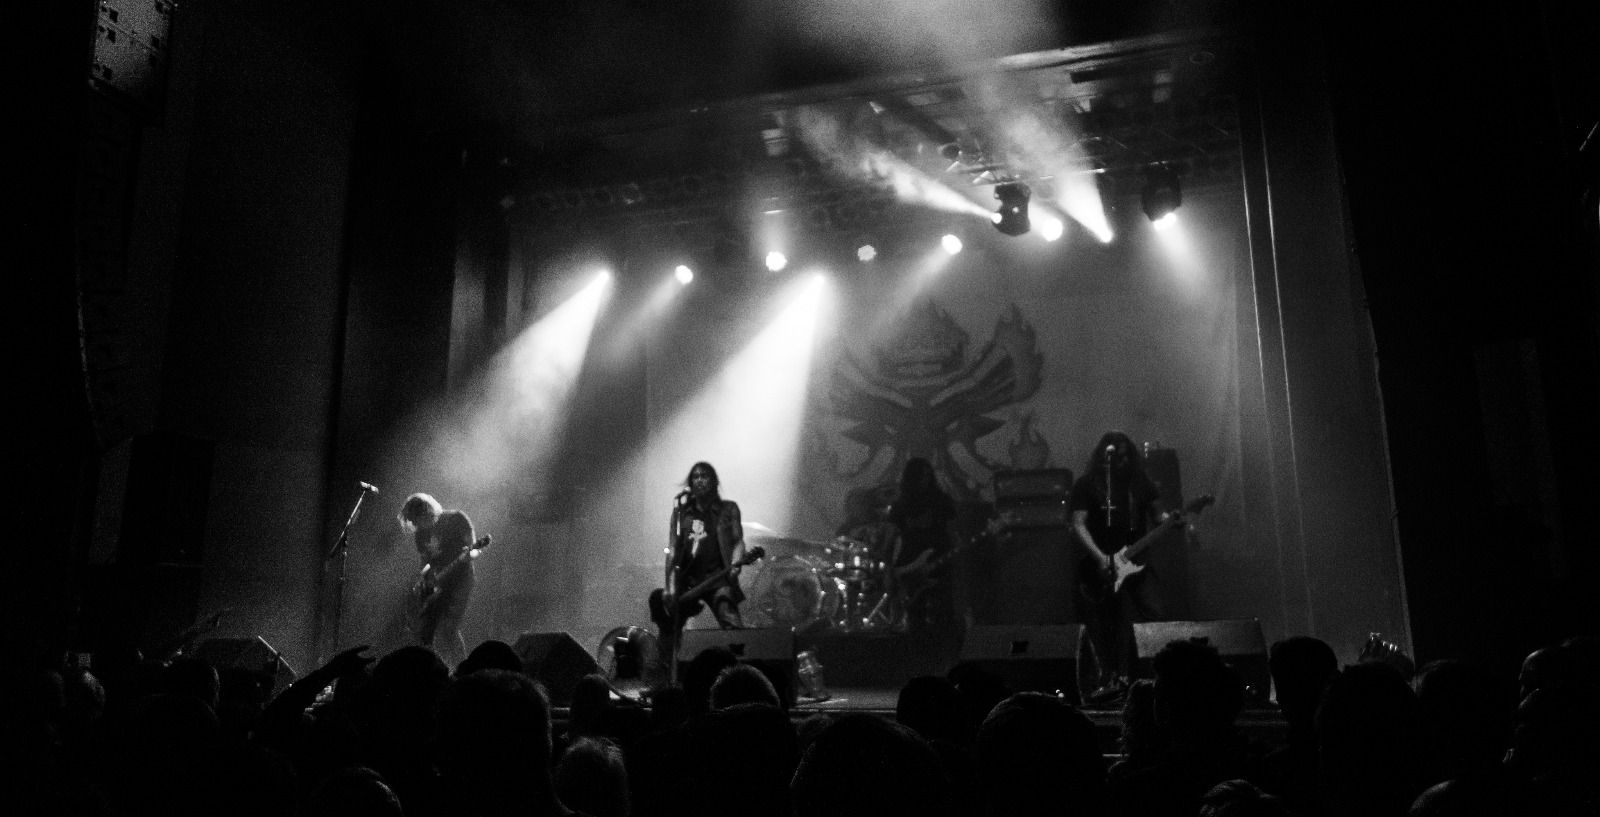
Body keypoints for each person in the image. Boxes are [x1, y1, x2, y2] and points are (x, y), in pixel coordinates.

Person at [1070, 431, 1168, 702]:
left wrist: (1170, 518)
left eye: (1125, 456)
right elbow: (1078, 524)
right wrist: (1101, 558)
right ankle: (1114, 678)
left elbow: (1158, 514)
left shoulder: (1140, 482)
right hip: (1103, 566)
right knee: (1109, 623)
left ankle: (1149, 675)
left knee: (1155, 614)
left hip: (1138, 561)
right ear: (1104, 456)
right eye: (1115, 456)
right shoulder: (1087, 485)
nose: (1120, 462)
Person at [655, 462, 748, 636]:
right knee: (666, 619)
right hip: (687, 581)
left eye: (704, 476)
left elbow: (738, 541)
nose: (699, 480)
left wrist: (736, 564)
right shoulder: (681, 513)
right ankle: (666, 652)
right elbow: (673, 549)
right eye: (695, 477)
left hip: (717, 579)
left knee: (731, 623)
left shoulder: (728, 509)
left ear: (714, 481)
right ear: (690, 483)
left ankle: (740, 652)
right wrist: (669, 585)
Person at [886, 458, 962, 642]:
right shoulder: (901, 504)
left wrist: (956, 547)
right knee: (915, 610)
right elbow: (892, 534)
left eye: (928, 475)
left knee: (943, 606)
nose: (926, 479)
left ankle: (944, 644)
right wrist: (890, 564)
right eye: (921, 475)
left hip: (939, 557)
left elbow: (952, 527)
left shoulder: (941, 500)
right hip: (910, 561)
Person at [400, 492, 478, 666]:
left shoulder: (456, 519)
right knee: (427, 630)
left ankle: (462, 668)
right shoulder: (420, 534)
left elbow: (474, 548)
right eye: (412, 521)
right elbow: (425, 563)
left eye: (416, 519)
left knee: (448, 628)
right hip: (439, 582)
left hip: (461, 579)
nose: (415, 524)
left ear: (426, 511)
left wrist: (470, 555)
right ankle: (439, 667)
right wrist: (424, 580)